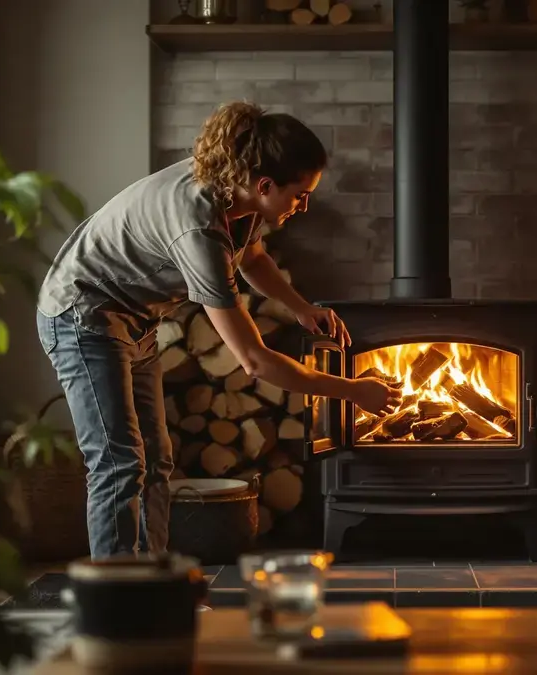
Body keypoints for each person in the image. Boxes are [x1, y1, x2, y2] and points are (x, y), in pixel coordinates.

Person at [34, 101, 402, 559]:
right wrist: (351, 391)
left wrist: (301, 307)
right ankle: (118, 601)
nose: (303, 206)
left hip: (136, 319)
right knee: (118, 464)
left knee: (156, 460)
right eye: (299, 194)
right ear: (265, 185)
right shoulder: (199, 229)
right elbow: (254, 361)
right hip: (81, 315)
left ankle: (153, 582)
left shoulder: (238, 189)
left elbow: (253, 257)